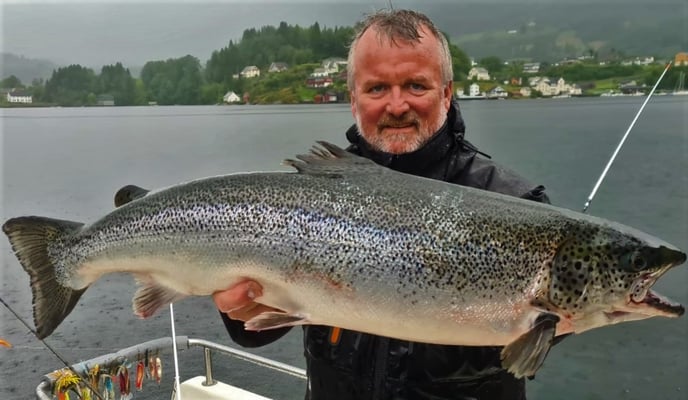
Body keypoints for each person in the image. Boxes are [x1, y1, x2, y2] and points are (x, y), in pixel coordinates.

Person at [213, 9, 549, 400]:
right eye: (376, 89)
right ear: (353, 100)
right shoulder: (311, 197)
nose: (397, 105)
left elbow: (546, 334)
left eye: (416, 85)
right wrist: (243, 309)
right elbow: (255, 332)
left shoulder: (516, 205)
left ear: (446, 93)